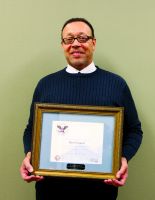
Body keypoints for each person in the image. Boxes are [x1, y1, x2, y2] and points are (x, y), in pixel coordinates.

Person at [20, 17, 143, 200]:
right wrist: (30, 155)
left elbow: (134, 130)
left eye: (82, 38)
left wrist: (123, 158)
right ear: (62, 45)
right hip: (50, 190)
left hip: (101, 191)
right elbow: (32, 129)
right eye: (69, 39)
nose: (75, 44)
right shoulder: (46, 84)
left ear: (93, 43)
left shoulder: (116, 84)